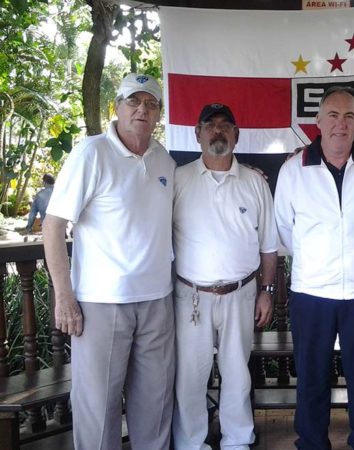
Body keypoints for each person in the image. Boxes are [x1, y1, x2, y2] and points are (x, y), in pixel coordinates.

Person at [42, 74, 175, 450]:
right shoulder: (91, 153)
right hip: (101, 303)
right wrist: (64, 297)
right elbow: (53, 226)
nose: (142, 109)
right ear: (116, 106)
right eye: (133, 101)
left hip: (157, 301)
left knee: (155, 406)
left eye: (150, 104)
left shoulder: (164, 159)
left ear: (159, 113)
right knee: (98, 410)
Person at [275, 86, 354, 450]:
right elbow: (285, 230)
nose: (341, 124)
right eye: (333, 115)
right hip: (311, 292)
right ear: (318, 121)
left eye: (349, 116)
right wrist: (318, 261)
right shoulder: (293, 169)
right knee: (311, 377)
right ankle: (312, 443)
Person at [172, 103, 278, 450]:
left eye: (224, 125)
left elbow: (269, 246)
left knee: (236, 372)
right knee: (190, 376)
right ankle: (191, 443)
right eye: (210, 124)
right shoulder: (178, 179)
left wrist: (266, 290)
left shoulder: (255, 182)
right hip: (191, 296)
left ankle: (237, 440)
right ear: (197, 133)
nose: (217, 130)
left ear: (236, 134)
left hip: (241, 293)